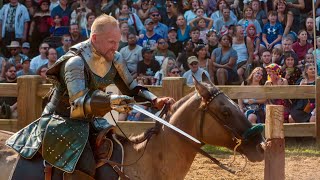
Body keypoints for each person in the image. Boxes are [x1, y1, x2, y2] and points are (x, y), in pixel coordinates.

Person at [6, 14, 174, 179]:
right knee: (85, 163)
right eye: (111, 42)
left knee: (115, 151)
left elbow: (131, 87)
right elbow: (78, 103)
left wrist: (154, 100)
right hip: (62, 119)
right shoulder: (75, 62)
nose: (116, 46)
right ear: (94, 38)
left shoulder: (114, 58)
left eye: (117, 41)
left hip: (91, 120)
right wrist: (111, 101)